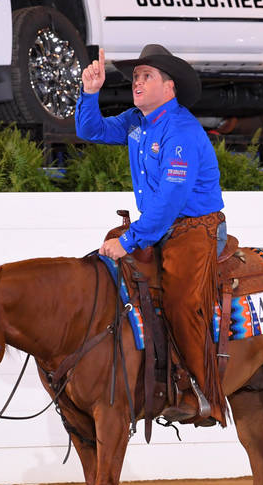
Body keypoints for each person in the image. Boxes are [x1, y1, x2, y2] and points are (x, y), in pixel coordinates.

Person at [75, 44, 227, 426]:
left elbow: (170, 200)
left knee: (178, 299)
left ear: (169, 87)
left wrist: (129, 241)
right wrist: (90, 93)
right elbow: (90, 129)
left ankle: (202, 393)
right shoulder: (136, 122)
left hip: (194, 229)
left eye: (147, 76)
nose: (137, 83)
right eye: (136, 76)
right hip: (163, 227)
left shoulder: (182, 132)